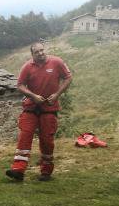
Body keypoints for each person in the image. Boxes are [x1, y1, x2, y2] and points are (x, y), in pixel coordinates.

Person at [6, 41, 72, 182]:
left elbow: (68, 77)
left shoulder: (57, 62)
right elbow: (20, 85)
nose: (41, 53)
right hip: (30, 108)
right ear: (32, 54)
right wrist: (33, 96)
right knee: (25, 135)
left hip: (49, 109)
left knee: (47, 140)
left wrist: (57, 94)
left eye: (42, 50)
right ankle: (18, 169)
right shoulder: (27, 67)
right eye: (37, 52)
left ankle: (46, 171)